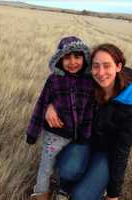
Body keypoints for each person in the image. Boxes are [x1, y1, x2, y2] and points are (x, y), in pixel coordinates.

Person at [45, 43, 132, 200]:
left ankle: (99, 184)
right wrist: (51, 105)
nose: (101, 73)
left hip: (108, 151)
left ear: (118, 67)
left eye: (107, 66)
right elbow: (61, 90)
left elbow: (122, 152)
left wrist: (113, 194)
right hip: (85, 139)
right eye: (96, 66)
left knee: (82, 196)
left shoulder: (129, 103)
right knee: (68, 170)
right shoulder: (87, 82)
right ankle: (64, 188)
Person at [26, 36, 95, 200]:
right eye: (67, 57)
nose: (72, 62)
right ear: (59, 59)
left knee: (71, 166)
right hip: (54, 135)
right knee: (46, 165)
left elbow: (90, 112)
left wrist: (85, 135)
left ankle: (64, 190)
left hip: (77, 137)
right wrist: (32, 132)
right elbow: (41, 104)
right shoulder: (54, 80)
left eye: (77, 57)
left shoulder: (89, 81)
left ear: (84, 58)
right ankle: (41, 192)